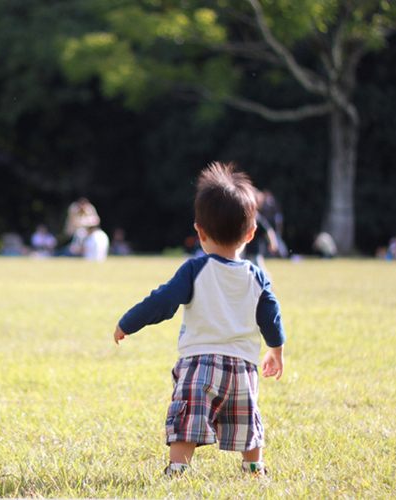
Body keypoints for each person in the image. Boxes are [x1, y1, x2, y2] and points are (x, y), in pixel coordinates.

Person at [113, 162, 286, 477]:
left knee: (189, 417)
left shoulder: (195, 269)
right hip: (243, 368)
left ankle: (179, 467)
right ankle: (253, 466)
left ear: (200, 231)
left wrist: (128, 322)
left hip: (199, 363)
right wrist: (275, 350)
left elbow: (162, 301)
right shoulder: (257, 276)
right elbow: (270, 316)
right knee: (246, 416)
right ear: (250, 233)